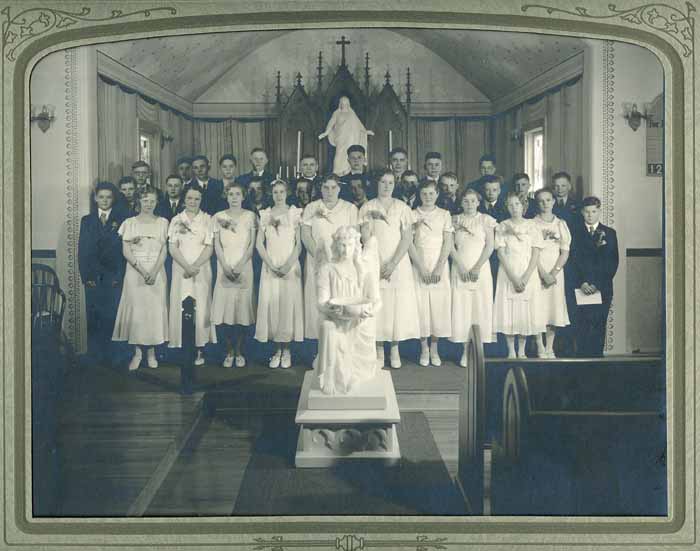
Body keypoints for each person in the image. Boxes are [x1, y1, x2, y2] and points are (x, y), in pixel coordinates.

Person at [359, 170, 420, 369]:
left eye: (391, 182)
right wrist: (377, 261)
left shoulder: (402, 207)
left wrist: (393, 263)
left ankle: (394, 348)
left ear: (396, 184)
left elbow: (407, 238)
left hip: (398, 264)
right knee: (377, 303)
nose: (387, 186)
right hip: (374, 262)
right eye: (383, 182)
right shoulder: (368, 207)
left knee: (396, 306)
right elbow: (366, 236)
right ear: (377, 184)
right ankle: (378, 349)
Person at [314, 225, 381, 395]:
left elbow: (377, 301)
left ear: (356, 246)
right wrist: (329, 310)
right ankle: (332, 375)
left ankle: (355, 374)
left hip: (359, 318)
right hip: (336, 316)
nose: (346, 249)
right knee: (328, 327)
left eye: (350, 245)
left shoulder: (364, 270)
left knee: (365, 327)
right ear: (335, 246)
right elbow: (321, 302)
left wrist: (370, 311)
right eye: (342, 245)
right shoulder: (327, 269)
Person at [112, 185, 169, 371]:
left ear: (156, 202)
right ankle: (137, 353)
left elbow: (164, 251)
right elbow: (125, 250)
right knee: (137, 311)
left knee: (153, 311)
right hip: (135, 272)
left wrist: (153, 271)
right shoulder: (129, 223)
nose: (148, 204)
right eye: (145, 201)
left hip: (156, 272)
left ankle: (151, 352)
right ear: (139, 201)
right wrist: (143, 271)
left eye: (152, 201)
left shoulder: (163, 222)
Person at [301, 174, 359, 342]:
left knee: (340, 300)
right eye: (326, 187)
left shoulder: (350, 208)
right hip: (317, 261)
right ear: (321, 189)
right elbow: (305, 235)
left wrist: (340, 258)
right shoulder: (312, 207)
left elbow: (353, 237)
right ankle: (320, 347)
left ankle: (341, 345)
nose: (330, 191)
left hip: (342, 263)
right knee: (319, 299)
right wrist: (320, 257)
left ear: (339, 189)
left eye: (333, 187)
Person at [255, 180, 304, 368]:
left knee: (287, 305)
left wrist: (287, 265)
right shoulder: (265, 215)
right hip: (271, 265)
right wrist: (270, 265)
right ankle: (277, 349)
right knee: (273, 304)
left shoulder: (294, 213)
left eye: (282, 191)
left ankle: (288, 350)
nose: (278, 195)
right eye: (275, 192)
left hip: (289, 265)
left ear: (287, 192)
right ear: (271, 193)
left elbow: (298, 244)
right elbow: (259, 244)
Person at [78, 182, 126, 366]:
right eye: (101, 197)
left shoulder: (122, 219)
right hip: (93, 279)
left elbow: (123, 252)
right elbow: (83, 250)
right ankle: (94, 356)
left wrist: (118, 276)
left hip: (113, 278)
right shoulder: (87, 221)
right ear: (95, 198)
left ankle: (113, 357)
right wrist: (87, 277)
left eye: (108, 197)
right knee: (94, 316)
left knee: (112, 316)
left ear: (113, 199)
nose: (104, 200)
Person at [167, 184, 216, 364]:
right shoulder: (176, 220)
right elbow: (172, 246)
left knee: (201, 305)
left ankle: (200, 349)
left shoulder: (208, 219)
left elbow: (209, 246)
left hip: (201, 269)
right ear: (183, 199)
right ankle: (182, 348)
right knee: (180, 304)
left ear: (201, 200)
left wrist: (194, 266)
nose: (193, 201)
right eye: (189, 198)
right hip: (181, 269)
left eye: (196, 198)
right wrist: (186, 266)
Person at [492, 192, 545, 358]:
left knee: (524, 311)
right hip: (508, 272)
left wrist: (526, 277)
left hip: (528, 272)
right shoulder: (502, 226)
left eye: (517, 204)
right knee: (509, 311)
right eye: (510, 205)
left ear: (524, 206)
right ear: (506, 207)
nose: (514, 208)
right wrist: (513, 277)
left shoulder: (532, 226)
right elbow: (500, 253)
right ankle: (511, 350)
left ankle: (521, 350)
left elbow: (536, 252)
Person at [211, 182, 257, 368]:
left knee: (241, 312)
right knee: (225, 311)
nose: (234, 197)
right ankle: (229, 351)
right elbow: (216, 245)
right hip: (224, 266)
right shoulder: (218, 217)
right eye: (231, 194)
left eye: (238, 194)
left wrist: (240, 265)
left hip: (244, 266)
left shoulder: (250, 216)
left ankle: (240, 351)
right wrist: (224, 265)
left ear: (243, 196)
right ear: (226, 196)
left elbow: (252, 244)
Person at [408, 180, 453, 366]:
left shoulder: (444, 214)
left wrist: (439, 268)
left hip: (438, 265)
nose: (428, 197)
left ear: (437, 195)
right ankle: (424, 348)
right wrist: (421, 267)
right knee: (421, 307)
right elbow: (408, 243)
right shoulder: (411, 214)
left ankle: (435, 348)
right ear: (420, 195)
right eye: (424, 194)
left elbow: (448, 242)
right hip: (419, 264)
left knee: (438, 307)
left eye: (431, 194)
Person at [449, 188, 496, 366]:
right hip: (459, 268)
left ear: (478, 202)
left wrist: (477, 267)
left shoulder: (486, 220)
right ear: (461, 203)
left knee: (480, 307)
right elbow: (450, 246)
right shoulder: (454, 220)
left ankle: (477, 350)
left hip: (481, 269)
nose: (469, 204)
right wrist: (461, 266)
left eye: (473, 201)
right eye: (466, 201)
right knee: (462, 308)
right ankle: (464, 351)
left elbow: (490, 246)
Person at [570, 196, 619, 357]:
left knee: (599, 323)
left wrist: (596, 283)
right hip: (580, 286)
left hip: (601, 287)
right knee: (582, 323)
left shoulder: (610, 233)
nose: (590, 215)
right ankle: (582, 358)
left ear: (599, 211)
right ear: (582, 212)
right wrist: (582, 282)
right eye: (586, 212)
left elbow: (612, 262)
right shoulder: (574, 232)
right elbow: (572, 260)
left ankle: (597, 358)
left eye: (593, 211)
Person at [532, 188, 571, 358]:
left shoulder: (560, 224)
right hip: (536, 270)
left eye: (548, 200)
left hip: (555, 272)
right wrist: (542, 273)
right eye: (541, 200)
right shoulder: (532, 224)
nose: (545, 204)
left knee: (552, 309)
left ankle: (550, 347)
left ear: (554, 201)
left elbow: (565, 252)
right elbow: (531, 253)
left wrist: (553, 274)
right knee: (538, 309)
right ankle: (540, 346)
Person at [551, 171, 581, 356]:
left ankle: (569, 346)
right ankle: (554, 345)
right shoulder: (548, 206)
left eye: (563, 185)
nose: (560, 189)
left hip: (571, 263)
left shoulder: (577, 207)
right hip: (552, 261)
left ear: (569, 186)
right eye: (556, 186)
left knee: (570, 304)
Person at [318, 96, 374, 176]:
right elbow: (330, 124)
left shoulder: (352, 113)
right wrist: (325, 133)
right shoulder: (337, 113)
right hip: (341, 139)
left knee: (351, 154)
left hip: (351, 138)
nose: (344, 104)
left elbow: (358, 125)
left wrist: (366, 131)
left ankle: (349, 172)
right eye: (342, 103)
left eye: (346, 103)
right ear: (340, 104)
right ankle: (337, 173)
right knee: (339, 154)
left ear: (348, 104)